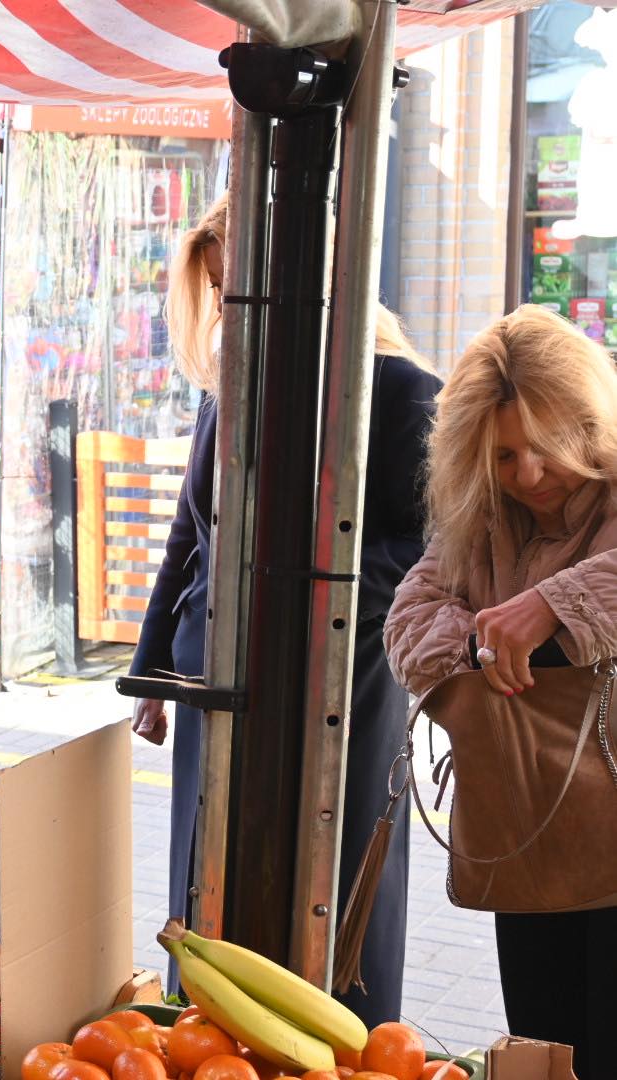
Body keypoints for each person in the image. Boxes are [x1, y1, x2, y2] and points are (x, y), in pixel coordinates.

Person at [126, 195, 442, 1027]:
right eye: (226, 297)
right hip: (215, 670)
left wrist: (314, 589)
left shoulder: (407, 393)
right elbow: (187, 539)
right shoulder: (227, 394)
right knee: (210, 869)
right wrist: (152, 670)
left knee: (339, 881)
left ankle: (349, 1042)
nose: (237, 317)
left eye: (246, 293)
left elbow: (434, 553)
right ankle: (207, 1034)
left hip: (345, 674)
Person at [385, 304, 617, 1076]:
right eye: (505, 453)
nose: (529, 475)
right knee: (544, 1047)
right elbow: (410, 612)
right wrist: (475, 648)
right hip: (528, 835)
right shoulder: (480, 514)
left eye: (548, 447)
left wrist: (555, 602)